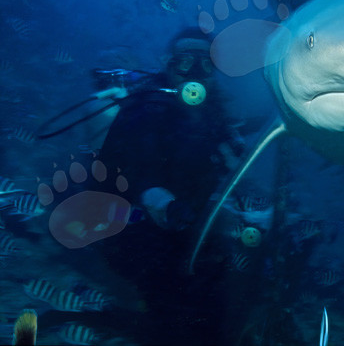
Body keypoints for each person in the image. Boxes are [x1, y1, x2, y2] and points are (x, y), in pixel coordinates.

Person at [86, 28, 246, 343]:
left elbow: (229, 163)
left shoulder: (214, 115)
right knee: (170, 297)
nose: (195, 74)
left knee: (216, 289)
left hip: (188, 222)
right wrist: (159, 200)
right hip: (132, 221)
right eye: (186, 63)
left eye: (205, 65)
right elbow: (127, 166)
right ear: (169, 65)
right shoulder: (146, 106)